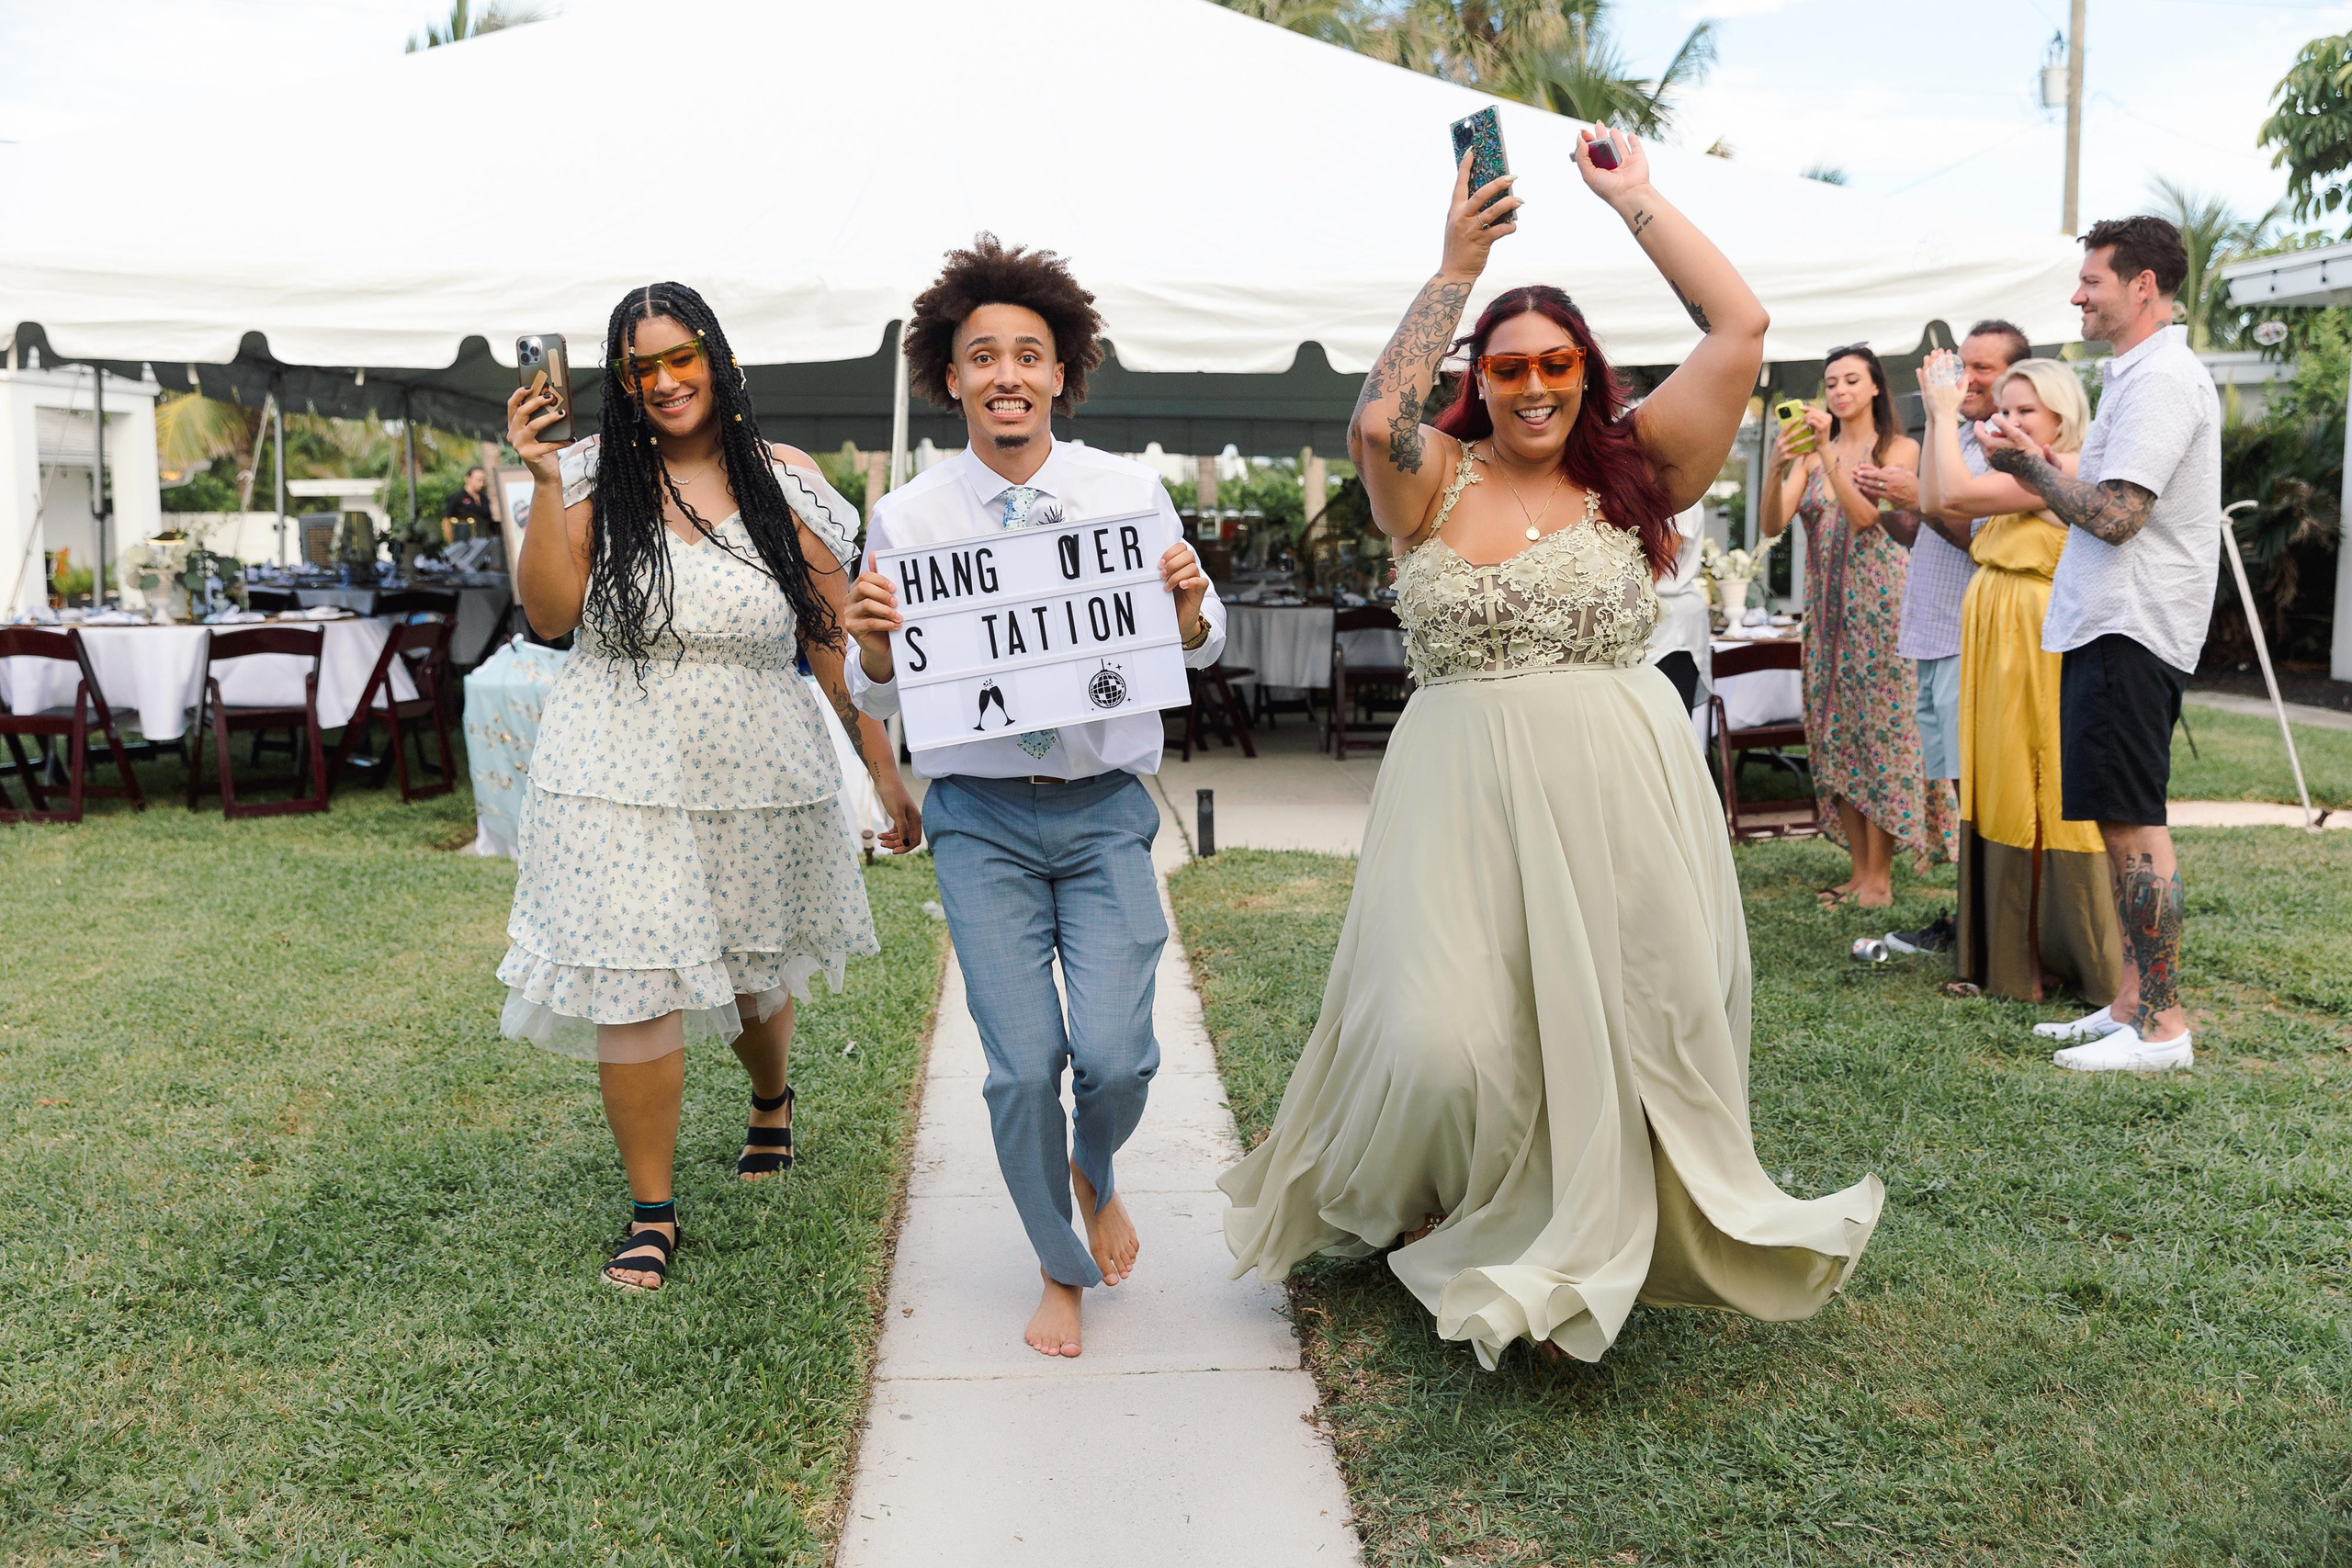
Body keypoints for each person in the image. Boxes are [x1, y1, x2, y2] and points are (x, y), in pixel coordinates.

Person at [1219, 130, 1881, 1369]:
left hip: (1620, 785)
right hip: (1457, 792)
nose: (1533, 385)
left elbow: (1739, 328)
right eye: (1509, 366)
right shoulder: (1431, 477)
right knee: (1438, 1035)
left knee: (1644, 1016)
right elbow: (1375, 413)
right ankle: (1444, 1194)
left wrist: (1637, 202)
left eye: (1557, 362)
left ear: (1587, 368)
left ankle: (1567, 1205)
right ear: (1483, 373)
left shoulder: (1635, 466)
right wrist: (1457, 265)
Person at [843, 236, 1227, 1359]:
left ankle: (1092, 1170)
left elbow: (1192, 652)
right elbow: (881, 684)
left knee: (1116, 1058)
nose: (1006, 374)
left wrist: (1194, 607)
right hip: (981, 819)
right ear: (949, 378)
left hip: (1106, 804)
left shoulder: (1127, 493)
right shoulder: (909, 520)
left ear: (1063, 371)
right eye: (981, 357)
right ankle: (1059, 1263)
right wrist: (869, 651)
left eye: (1030, 354)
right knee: (1022, 1069)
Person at [500, 281, 922, 1292]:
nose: (665, 381)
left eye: (680, 357)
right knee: (635, 975)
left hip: (753, 761)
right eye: (641, 368)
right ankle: (652, 1213)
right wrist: (544, 480)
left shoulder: (787, 481)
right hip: (615, 764)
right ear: (621, 380)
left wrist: (886, 777)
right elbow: (552, 619)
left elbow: (829, 641)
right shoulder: (590, 478)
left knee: (745, 972)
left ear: (717, 360)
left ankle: (770, 1099)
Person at [1981, 216, 2221, 1072]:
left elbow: (2119, 517)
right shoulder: (2136, 376)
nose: (2078, 295)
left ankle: (2161, 1027)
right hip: (2107, 619)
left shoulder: (2163, 382)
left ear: (2143, 286)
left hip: (2132, 621)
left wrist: (2030, 473)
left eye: (2092, 281)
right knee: (2120, 822)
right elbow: (2104, 491)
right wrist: (2043, 458)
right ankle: (2128, 1002)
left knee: (2133, 823)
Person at [1920, 355, 2122, 1004]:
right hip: (1996, 638)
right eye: (2002, 409)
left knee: (2035, 790)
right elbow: (1931, 500)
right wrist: (1936, 419)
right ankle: (2014, 954)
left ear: (2061, 417)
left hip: (2035, 644)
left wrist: (1947, 412)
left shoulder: (2061, 469)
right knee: (2002, 785)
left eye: (2023, 411)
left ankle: (2049, 957)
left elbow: (1953, 495)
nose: (2007, 421)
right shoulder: (2015, 466)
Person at [1857, 321, 2031, 955]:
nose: (1970, 378)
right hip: (1931, 630)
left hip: (1974, 635)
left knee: (1980, 788)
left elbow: (1986, 541)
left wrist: (1926, 499)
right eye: (1966, 365)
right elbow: (1922, 535)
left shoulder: (2004, 445)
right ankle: (1971, 918)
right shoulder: (1954, 433)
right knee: (1959, 789)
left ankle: (1988, 924)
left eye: (1985, 369)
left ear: (2016, 374)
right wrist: (1895, 505)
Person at [1758, 344, 1945, 908]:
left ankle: (1881, 880)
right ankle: (1859, 874)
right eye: (1831, 382)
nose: (1839, 391)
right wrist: (1777, 464)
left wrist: (1827, 455)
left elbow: (1868, 518)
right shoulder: (1812, 456)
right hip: (1826, 614)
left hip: (1883, 612)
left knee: (1881, 736)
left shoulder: (1901, 450)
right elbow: (1772, 523)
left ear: (1873, 390)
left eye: (1850, 381)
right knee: (1834, 734)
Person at [443, 466, 496, 548]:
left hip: (483, 543)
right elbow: (446, 521)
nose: (481, 484)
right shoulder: (457, 498)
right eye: (478, 480)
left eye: (483, 481)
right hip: (462, 543)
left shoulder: (484, 499)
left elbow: (488, 521)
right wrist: (451, 543)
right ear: (468, 479)